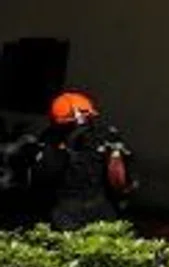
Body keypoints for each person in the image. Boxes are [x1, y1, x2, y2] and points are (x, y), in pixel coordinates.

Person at [34, 91, 121, 230]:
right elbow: (119, 180)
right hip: (98, 208)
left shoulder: (51, 139)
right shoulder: (107, 136)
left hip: (68, 210)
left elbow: (43, 177)